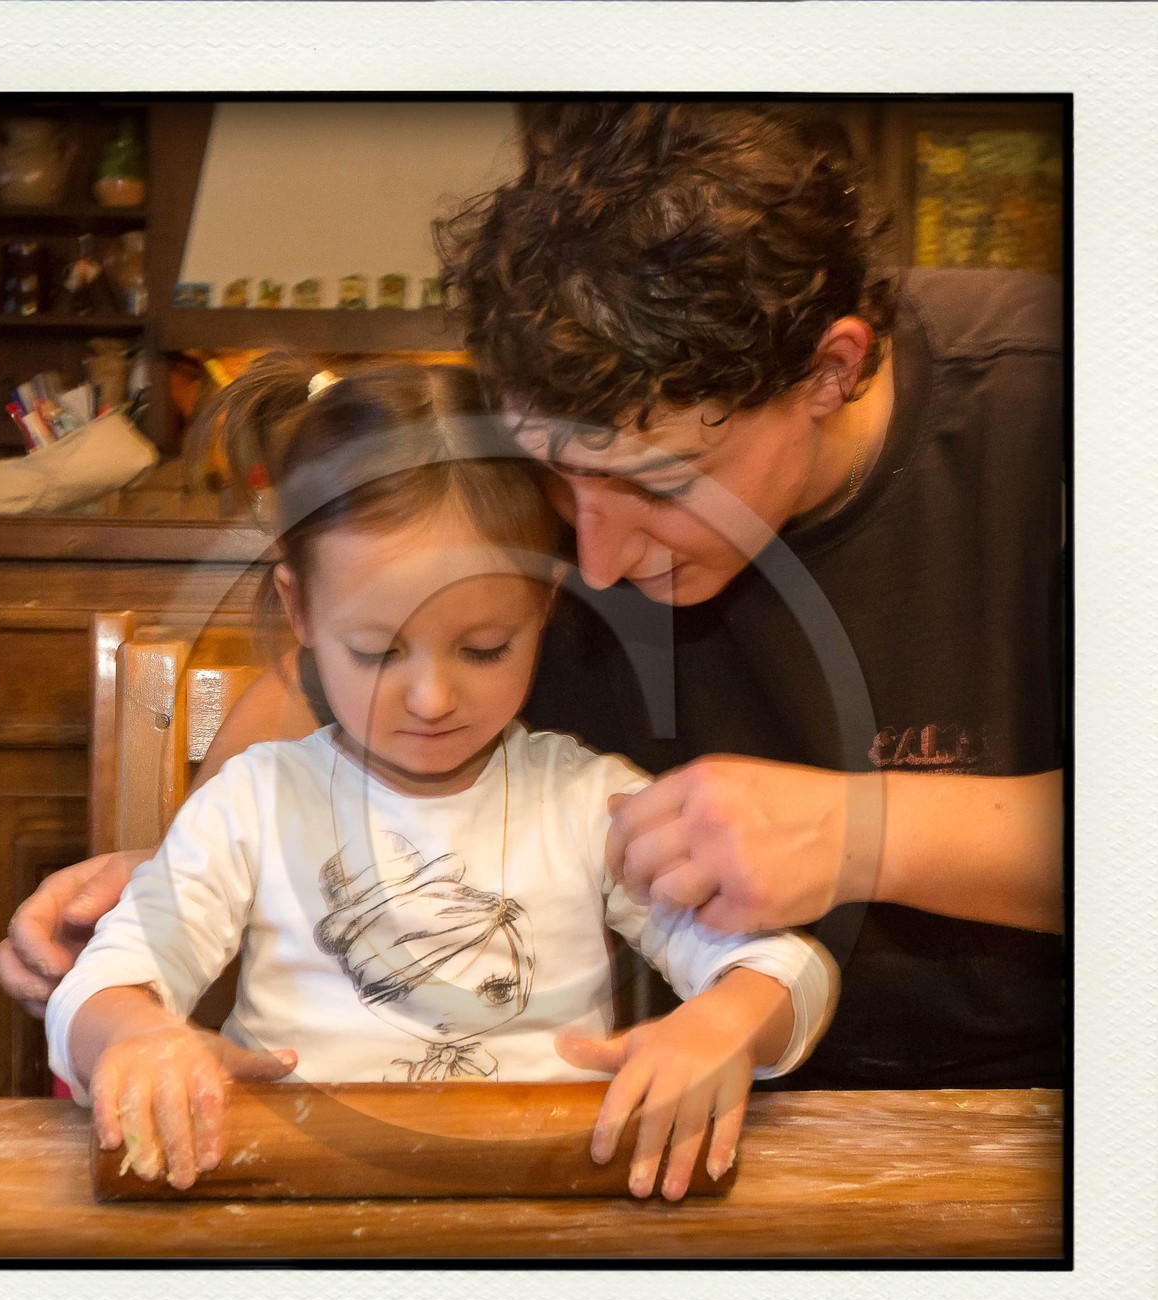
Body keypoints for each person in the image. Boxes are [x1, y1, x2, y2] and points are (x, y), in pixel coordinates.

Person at [0, 100, 1062, 1110]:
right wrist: (188, 870)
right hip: (668, 1105)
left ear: (829, 372)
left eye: (661, 485)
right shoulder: (572, 438)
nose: (592, 559)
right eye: (560, 477)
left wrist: (865, 832)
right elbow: (319, 671)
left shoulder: (1057, 404)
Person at [45, 357, 835, 1193]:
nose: (431, 699)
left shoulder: (589, 803)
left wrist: (723, 1023)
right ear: (300, 608)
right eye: (378, 651)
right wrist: (135, 1033)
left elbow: (792, 969)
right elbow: (96, 986)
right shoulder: (254, 804)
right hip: (295, 1199)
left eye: (484, 648)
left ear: (545, 606)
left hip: (544, 1204)